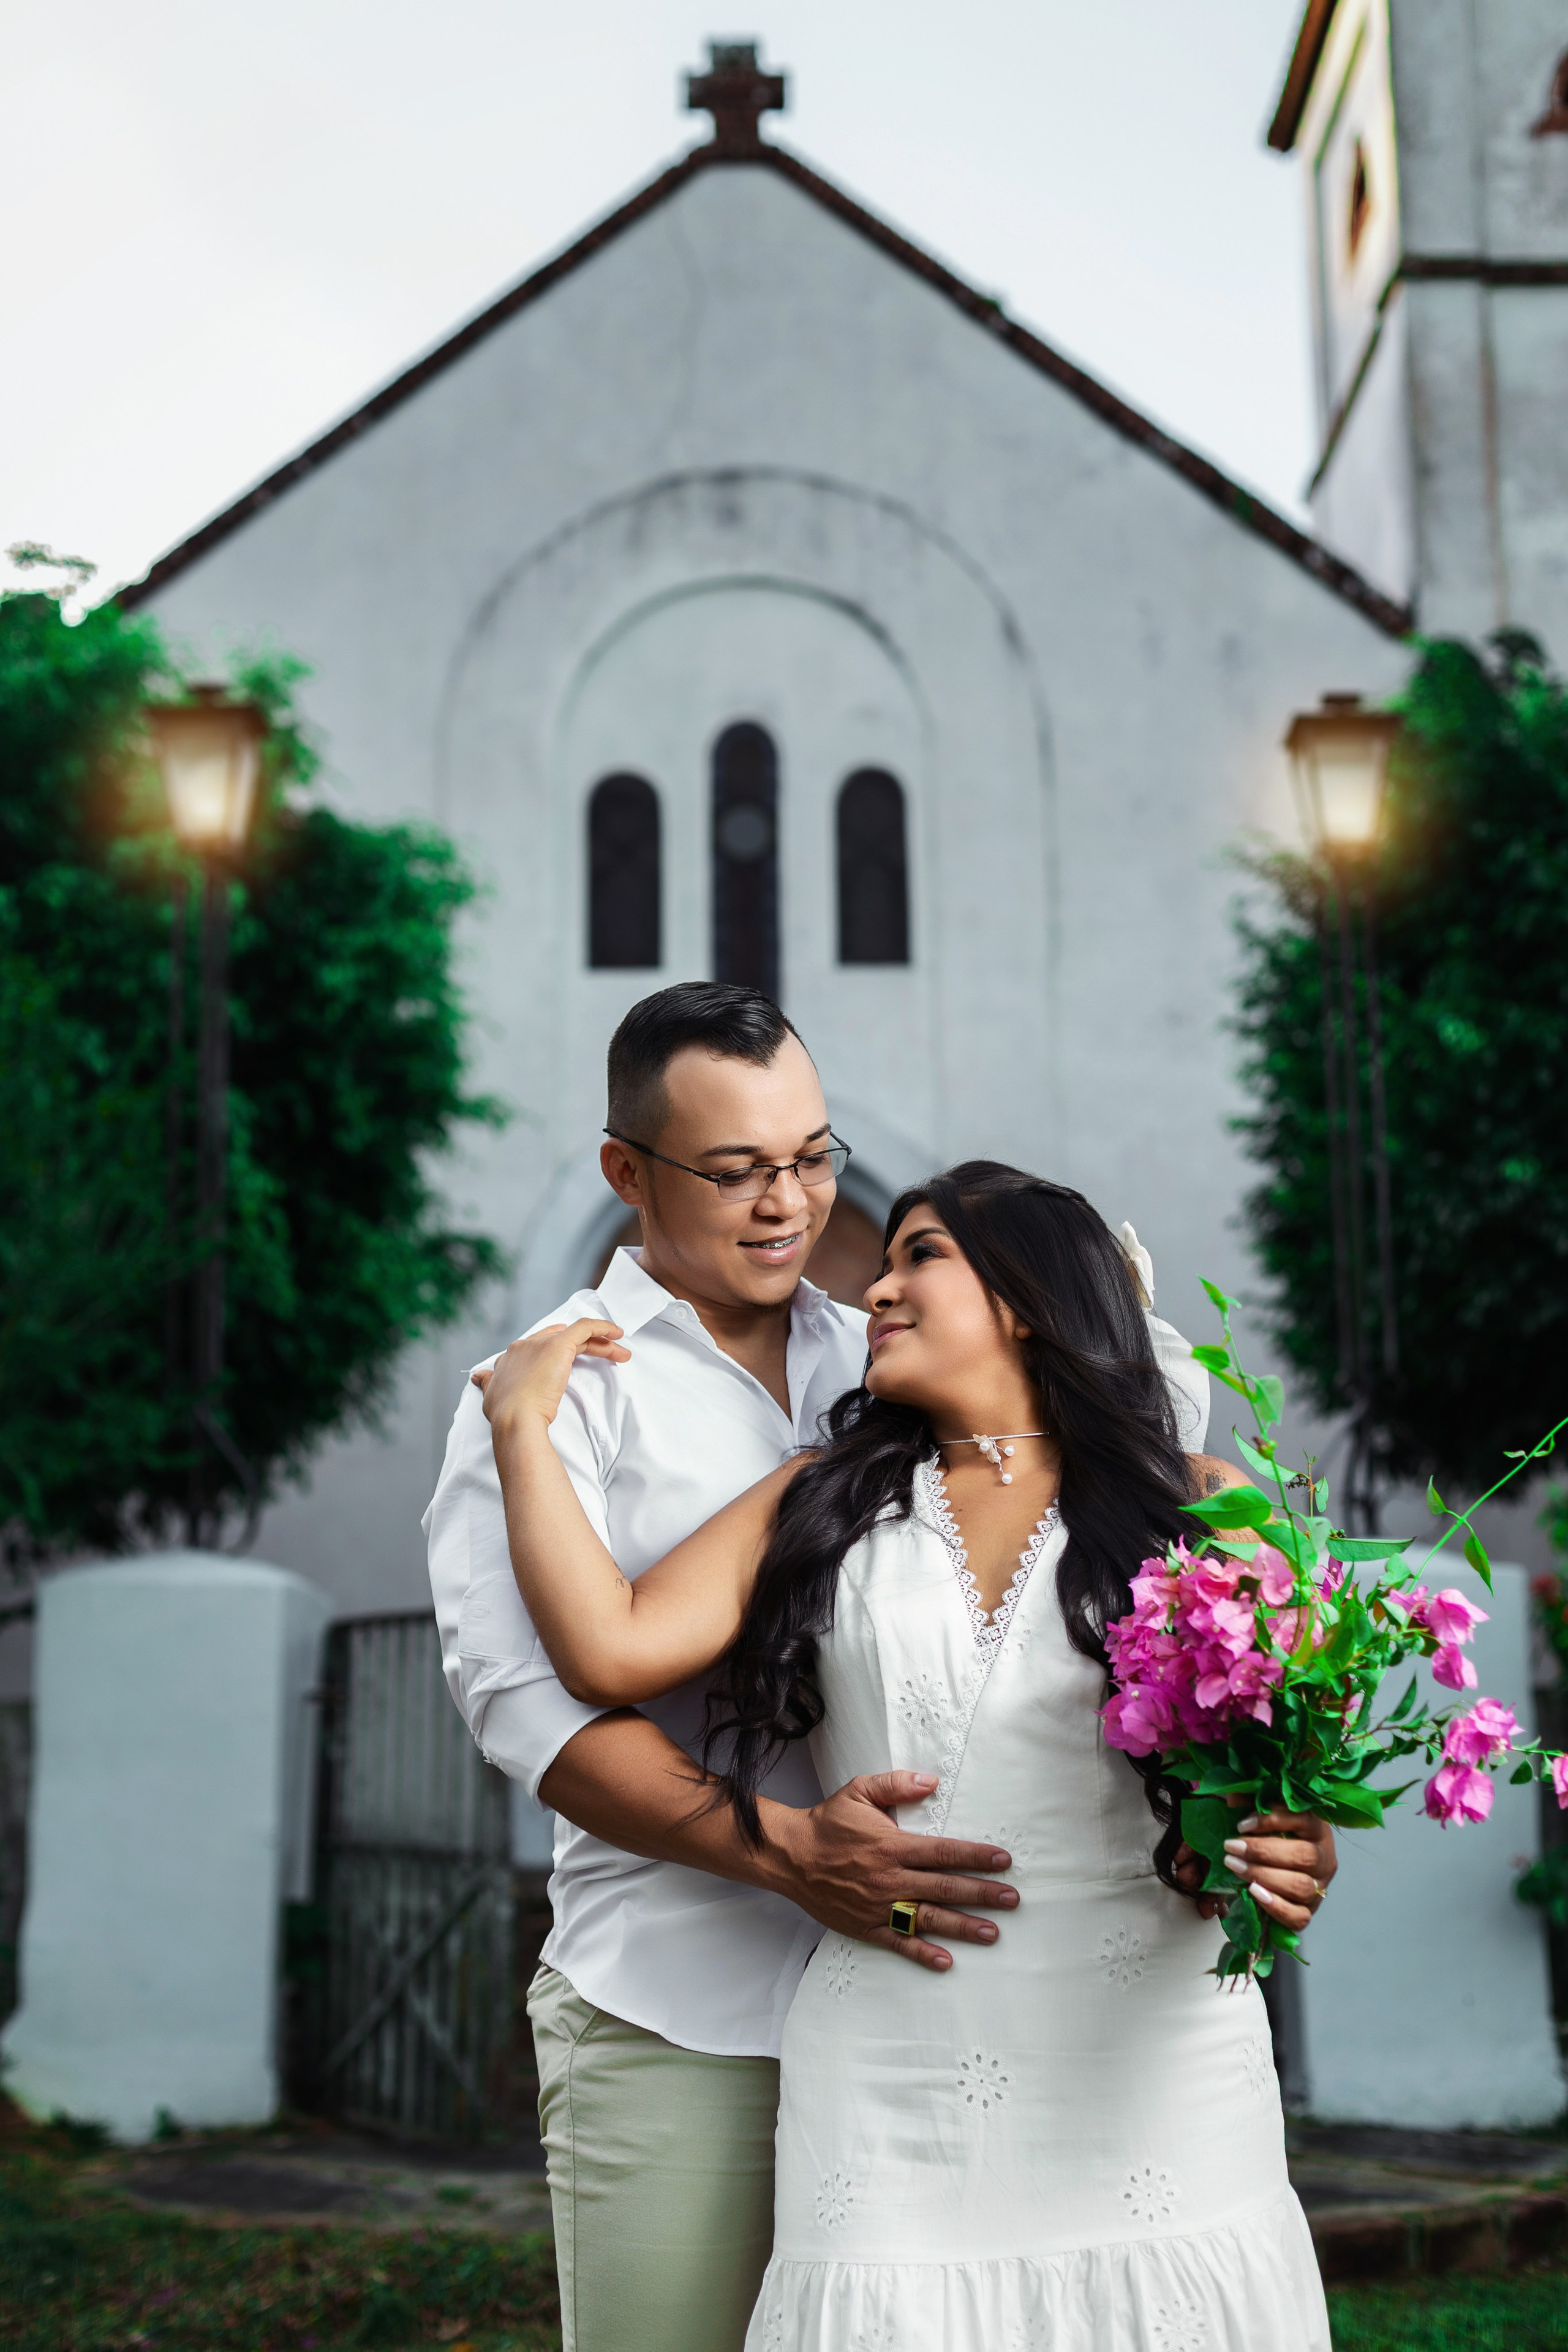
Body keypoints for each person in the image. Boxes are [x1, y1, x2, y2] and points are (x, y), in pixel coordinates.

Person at [427, 984, 1336, 2352]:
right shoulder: (558, 1389)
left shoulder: (887, 1357)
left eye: (811, 1159)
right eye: (735, 1173)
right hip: (694, 1998)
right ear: (628, 1173)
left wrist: (1287, 1823)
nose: (790, 1206)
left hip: (1033, 2016)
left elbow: (1184, 1589)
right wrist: (783, 1849)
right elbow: (547, 1708)